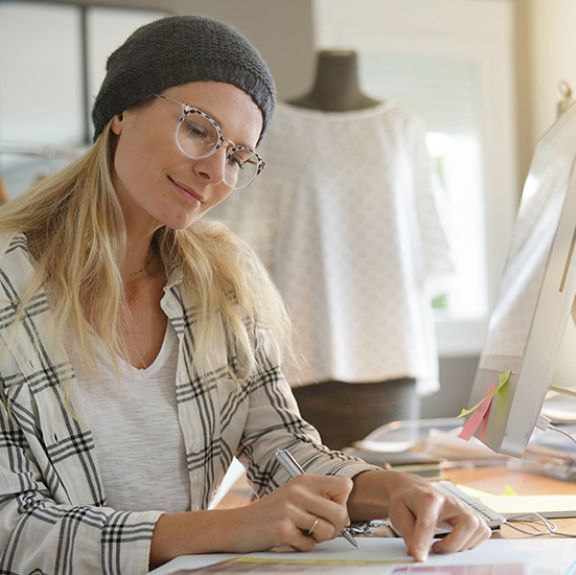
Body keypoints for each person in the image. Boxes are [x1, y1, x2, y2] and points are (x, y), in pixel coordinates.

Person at [0, 14, 490, 575]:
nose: (215, 171)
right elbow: (13, 527)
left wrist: (392, 491)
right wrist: (230, 526)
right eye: (200, 129)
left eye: (237, 156)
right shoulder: (8, 287)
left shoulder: (221, 284)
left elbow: (281, 447)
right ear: (120, 112)